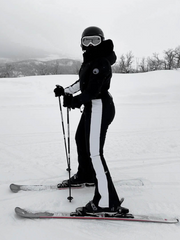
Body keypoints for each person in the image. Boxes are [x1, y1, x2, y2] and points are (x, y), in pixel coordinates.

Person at [54, 26, 128, 215]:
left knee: (95, 153)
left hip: (100, 107)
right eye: (86, 41)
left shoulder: (101, 62)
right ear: (81, 43)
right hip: (92, 107)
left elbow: (91, 91)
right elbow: (83, 82)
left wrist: (74, 101)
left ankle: (106, 202)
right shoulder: (90, 60)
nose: (90, 44)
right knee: (81, 139)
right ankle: (86, 174)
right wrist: (66, 91)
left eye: (95, 40)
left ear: (101, 41)